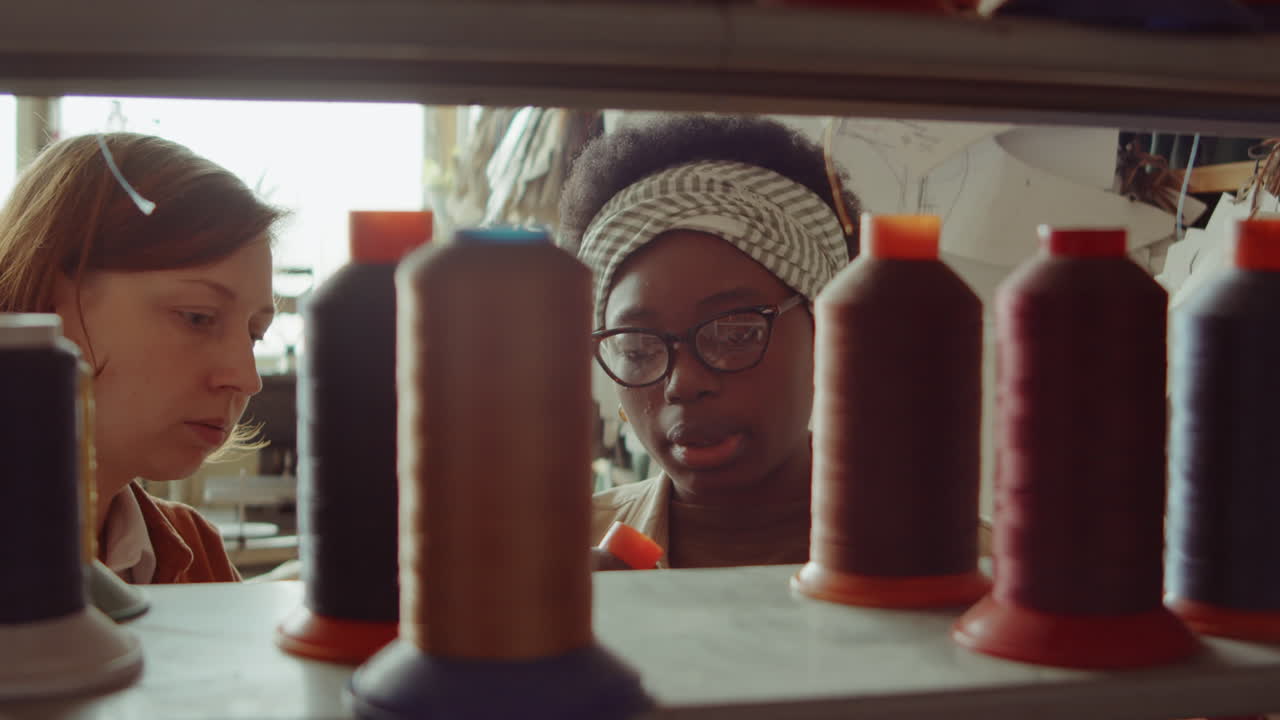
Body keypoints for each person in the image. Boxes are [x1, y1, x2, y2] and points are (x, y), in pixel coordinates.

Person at [560, 114, 862, 570]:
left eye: (736, 334)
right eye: (638, 349)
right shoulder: (549, 558)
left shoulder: (958, 560)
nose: (683, 384)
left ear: (826, 335)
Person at [0, 132, 283, 583]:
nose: (246, 379)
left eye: (254, 335)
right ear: (47, 304)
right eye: (197, 317)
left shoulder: (196, 553)